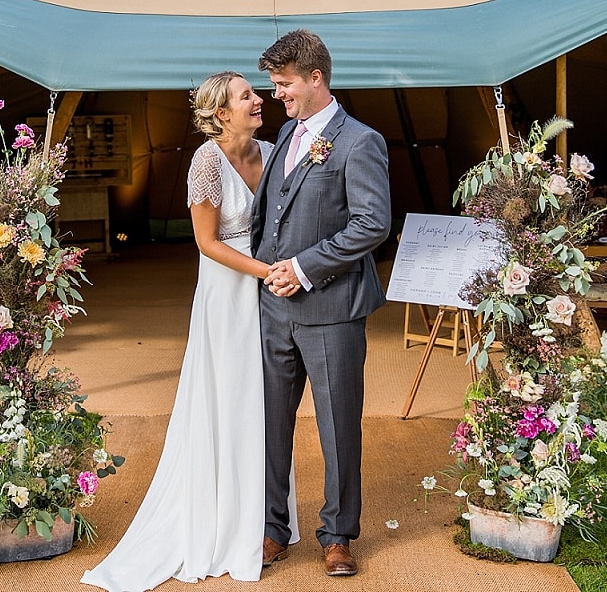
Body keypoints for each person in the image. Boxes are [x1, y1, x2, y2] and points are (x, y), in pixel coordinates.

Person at [82, 71, 297, 592]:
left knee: (264, 400)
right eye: (247, 95)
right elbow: (206, 241)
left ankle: (267, 519)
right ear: (222, 113)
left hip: (269, 290)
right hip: (229, 294)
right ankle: (227, 519)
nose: (259, 100)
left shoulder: (271, 152)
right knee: (230, 397)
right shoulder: (206, 161)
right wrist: (265, 272)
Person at [252, 30, 390, 578]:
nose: (278, 96)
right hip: (273, 309)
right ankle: (270, 528)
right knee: (269, 423)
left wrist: (304, 268)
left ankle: (338, 534)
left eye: (284, 85)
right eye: (274, 86)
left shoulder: (360, 141)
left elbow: (372, 223)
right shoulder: (287, 134)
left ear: (316, 78)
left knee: (337, 426)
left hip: (330, 310)